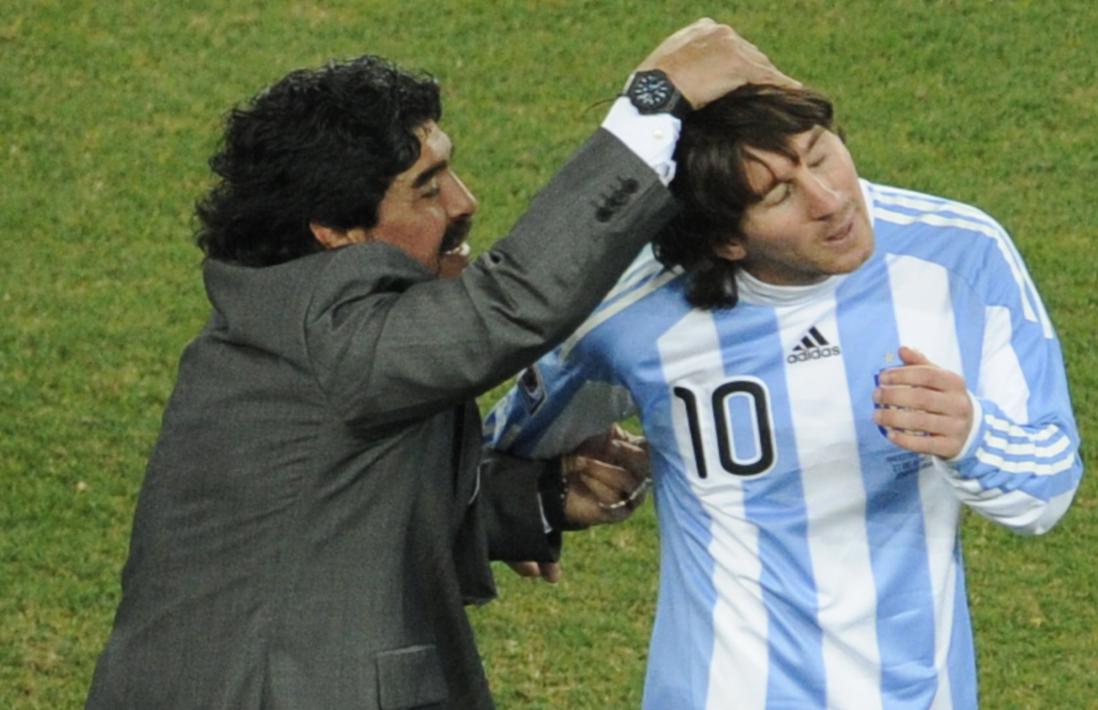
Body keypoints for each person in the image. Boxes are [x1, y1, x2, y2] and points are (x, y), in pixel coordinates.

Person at [86, 21, 798, 710]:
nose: (464, 202)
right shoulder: (332, 338)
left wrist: (534, 499)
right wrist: (654, 101)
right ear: (337, 232)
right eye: (427, 187)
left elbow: (329, 525)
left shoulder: (291, 328)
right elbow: (514, 301)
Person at [486, 84, 1084, 709]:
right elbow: (499, 451)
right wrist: (533, 506)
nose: (831, 201)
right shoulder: (633, 313)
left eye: (820, 155)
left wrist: (972, 436)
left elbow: (1048, 488)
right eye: (780, 194)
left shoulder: (960, 255)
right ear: (727, 241)